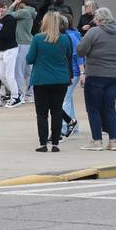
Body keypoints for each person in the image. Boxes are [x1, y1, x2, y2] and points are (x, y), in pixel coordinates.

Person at [76, 7, 116, 152]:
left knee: (94, 109)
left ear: (98, 19)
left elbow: (81, 51)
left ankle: (97, 141)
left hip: (96, 74)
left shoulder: (93, 32)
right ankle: (113, 142)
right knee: (109, 107)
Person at [26, 12, 73, 152]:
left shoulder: (37, 38)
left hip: (41, 79)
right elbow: (69, 55)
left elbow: (29, 59)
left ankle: (42, 144)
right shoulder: (65, 39)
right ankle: (55, 144)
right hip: (60, 79)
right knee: (57, 111)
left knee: (42, 113)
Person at [8, 0, 37, 104]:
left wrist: (14, 3)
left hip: (21, 43)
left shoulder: (24, 12)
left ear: (20, 0)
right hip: (28, 43)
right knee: (28, 71)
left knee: (18, 71)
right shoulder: (30, 11)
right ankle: (30, 94)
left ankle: (20, 94)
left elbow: (8, 15)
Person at [0, 0, 21, 107]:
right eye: (0, 7)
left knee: (9, 75)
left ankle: (15, 97)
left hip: (10, 49)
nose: (1, 9)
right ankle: (16, 93)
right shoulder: (0, 19)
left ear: (8, 8)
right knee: (1, 75)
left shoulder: (10, 19)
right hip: (2, 50)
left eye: (4, 7)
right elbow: (0, 33)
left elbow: (5, 34)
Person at [61, 13, 83, 137]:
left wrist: (82, 72)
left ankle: (65, 127)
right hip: (72, 72)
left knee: (65, 99)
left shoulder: (70, 36)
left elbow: (78, 55)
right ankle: (74, 127)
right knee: (68, 98)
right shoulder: (73, 34)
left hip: (73, 72)